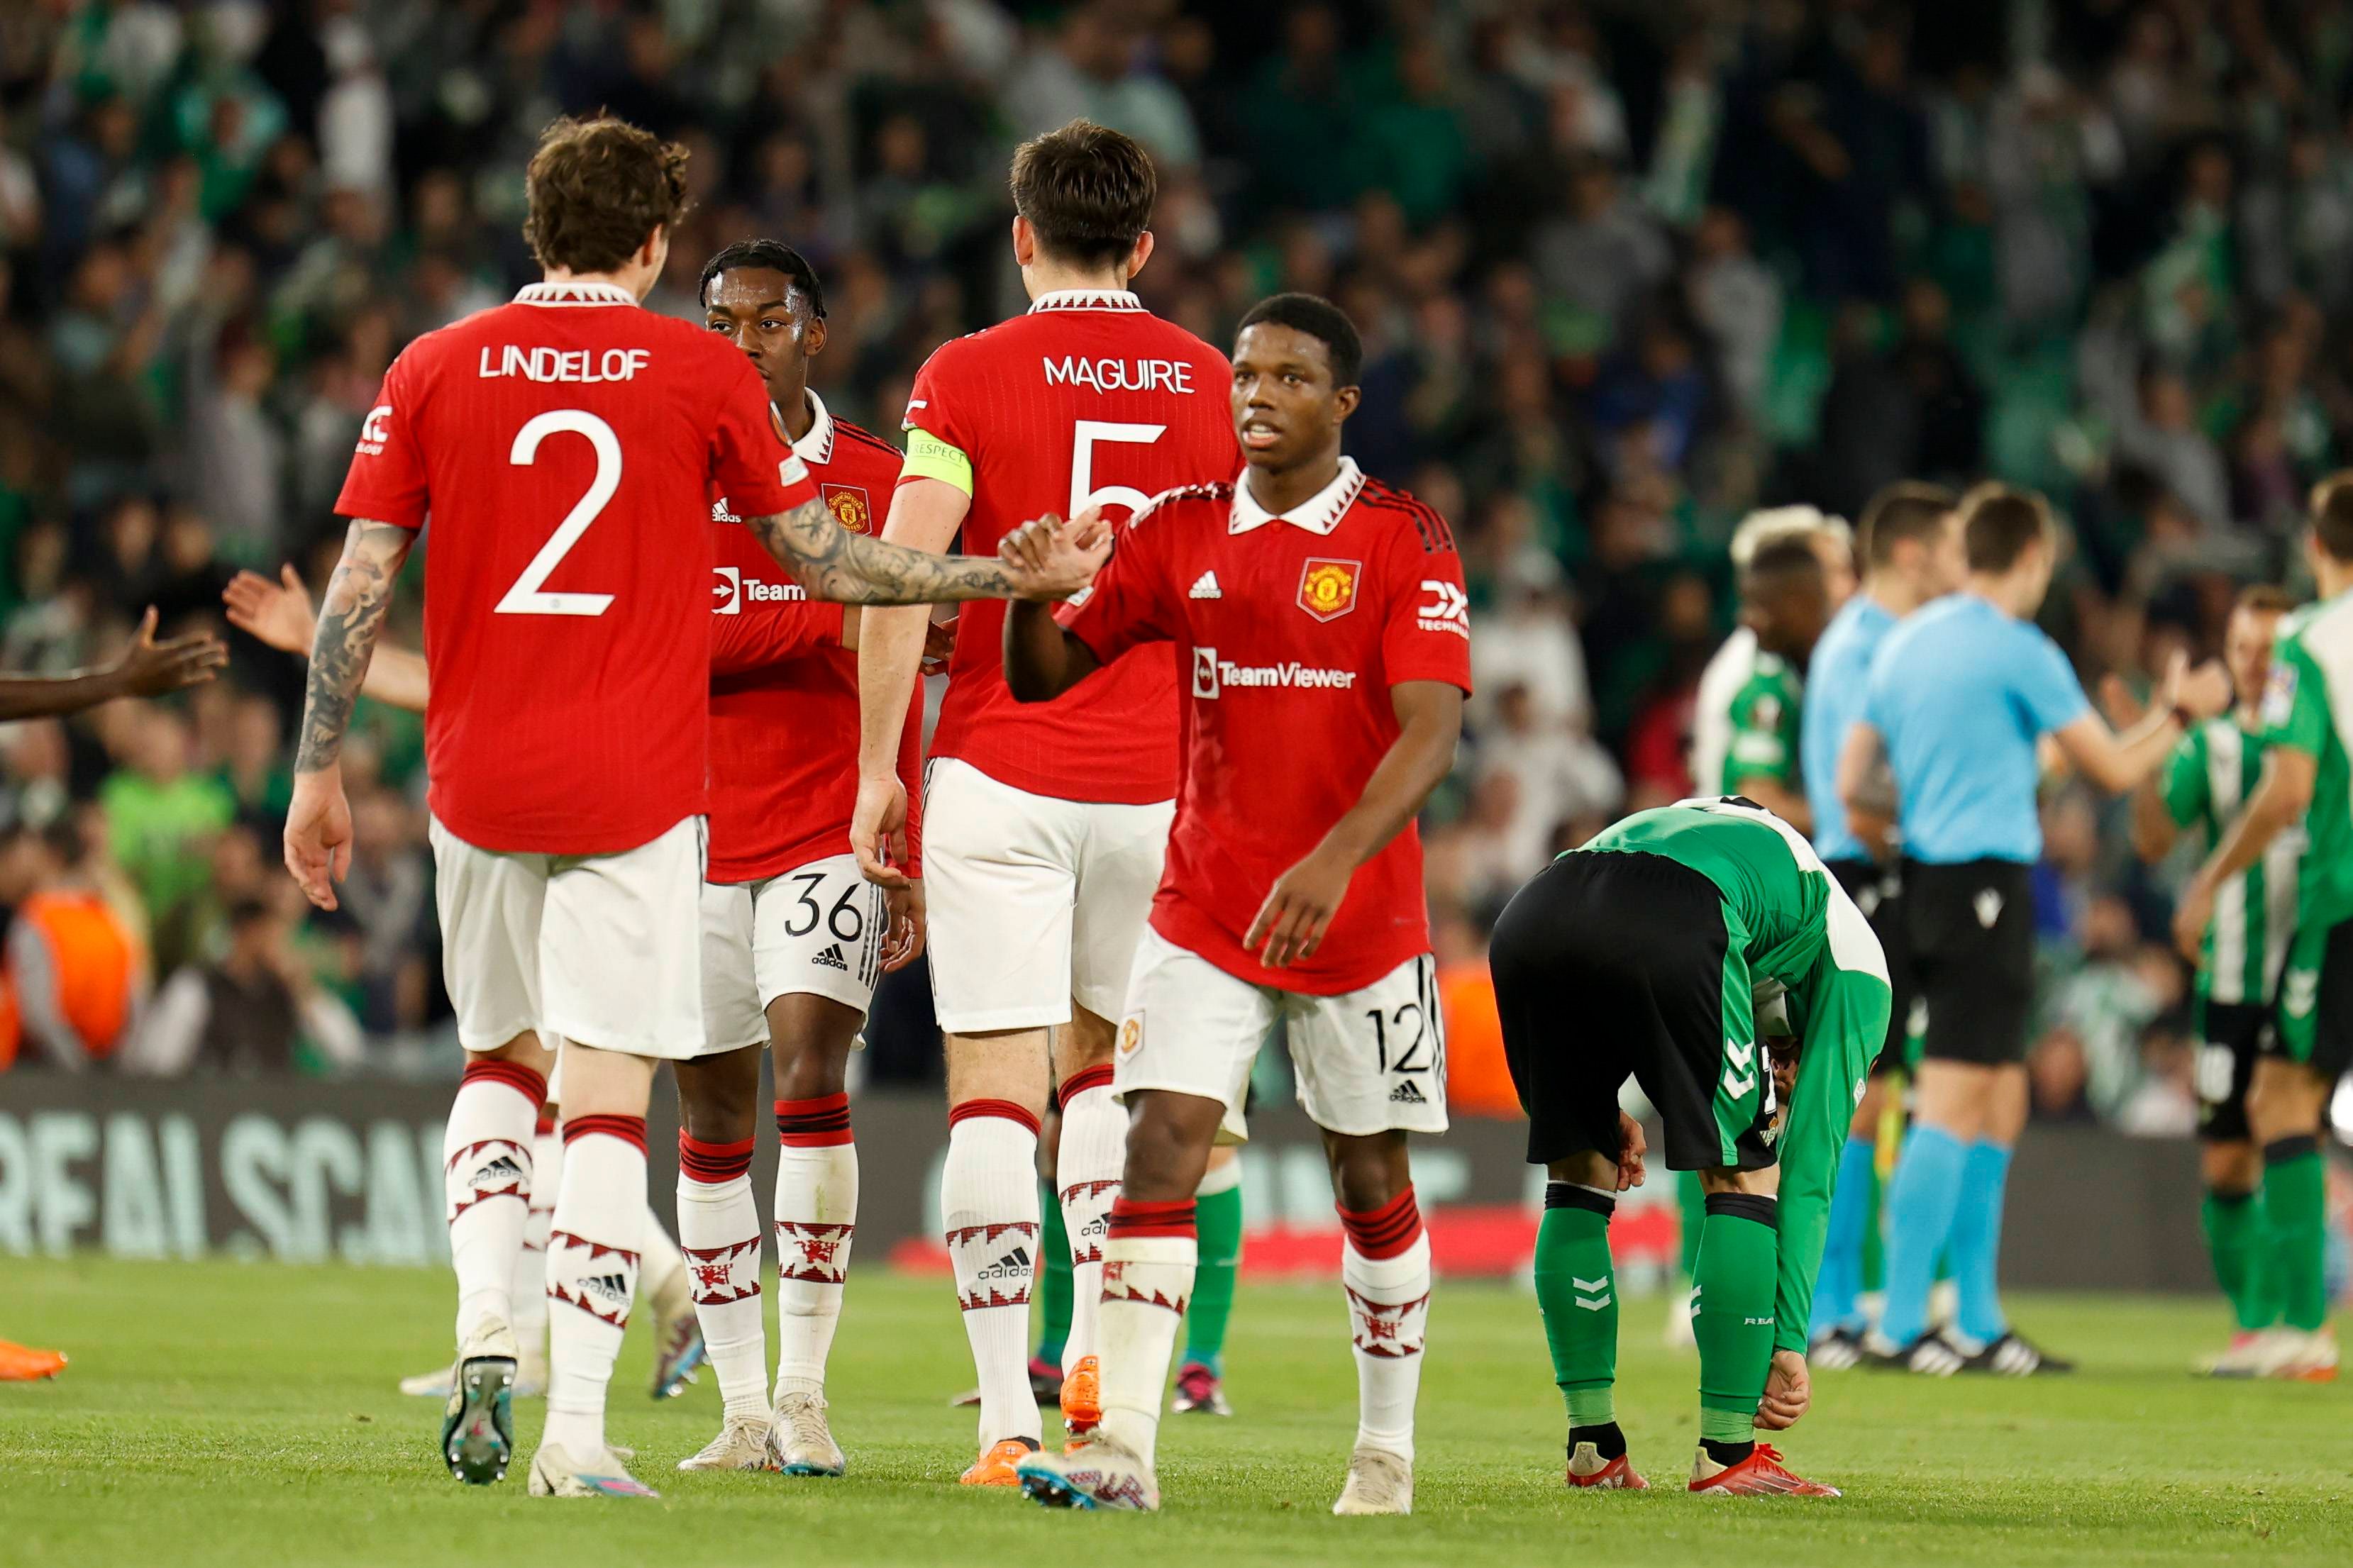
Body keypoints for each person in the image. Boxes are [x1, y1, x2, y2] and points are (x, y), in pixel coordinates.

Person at [283, 113, 1107, 1502]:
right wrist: (999, 583)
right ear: (657, 245)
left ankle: (490, 1322)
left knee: (500, 1063)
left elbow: (360, 586)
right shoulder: (692, 373)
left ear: (533, 228)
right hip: (638, 787)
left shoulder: (431, 364)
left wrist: (314, 772)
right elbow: (833, 567)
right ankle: (576, 1434)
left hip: (476, 778)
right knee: (610, 1096)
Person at [1001, 294, 1469, 1515]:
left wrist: (1333, 860)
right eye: (1245, 375)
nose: (1257, 394)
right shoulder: (1177, 527)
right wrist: (1030, 592)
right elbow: (1045, 676)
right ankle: (1121, 1453)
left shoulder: (1403, 537)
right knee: (1158, 1138)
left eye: (1289, 378)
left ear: (1342, 402)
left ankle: (1383, 1452)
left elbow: (1431, 733)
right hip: (1206, 905)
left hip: (1357, 918)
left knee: (1365, 1176)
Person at [850, 118, 1241, 1482]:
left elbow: (903, 572)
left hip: (1002, 772)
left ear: (1021, 236)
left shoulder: (964, 374)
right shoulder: (1211, 383)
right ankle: (1093, 1360)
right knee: (1109, 1079)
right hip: (1158, 787)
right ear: (1143, 245)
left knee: (990, 1094)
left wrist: (877, 772)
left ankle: (1005, 1423)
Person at [221, 570, 710, 1413]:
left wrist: (323, 645)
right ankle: (546, 1333)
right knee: (550, 1105)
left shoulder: (573, 580)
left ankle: (623, 1312)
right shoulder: (593, 575)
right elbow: (451, 689)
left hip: (599, 837)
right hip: (594, 830)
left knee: (554, 1099)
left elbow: (452, 689)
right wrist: (319, 642)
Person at [1842, 484, 2230, 1376]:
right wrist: (2177, 714)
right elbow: (2113, 769)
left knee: (1999, 1097)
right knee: (1955, 1096)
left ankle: (1975, 1319)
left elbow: (1857, 781)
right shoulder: (2020, 649)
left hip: (1924, 880)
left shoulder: (1903, 643)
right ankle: (1903, 1324)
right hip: (1985, 881)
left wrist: (1949, 791)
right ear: (2032, 557)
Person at [668, 239, 930, 1477]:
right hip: (683, 823)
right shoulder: (664, 463)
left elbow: (907, 664)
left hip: (830, 819)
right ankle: (738, 1412)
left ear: (813, 333)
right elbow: (669, 642)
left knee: (809, 1067)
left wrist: (909, 839)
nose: (741, 340)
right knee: (711, 1109)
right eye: (719, 319)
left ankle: (806, 1391)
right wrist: (832, 607)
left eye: (766, 320)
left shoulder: (878, 478)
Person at [1490, 796, 1891, 1496]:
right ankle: (1727, 1453)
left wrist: (1602, 1107)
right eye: (1788, 1072)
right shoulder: (1858, 970)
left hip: (1537, 909)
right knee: (1742, 1178)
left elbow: (1620, 937)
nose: (1787, 1082)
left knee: (1581, 1168)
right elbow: (1807, 1171)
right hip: (1670, 912)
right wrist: (1788, 1341)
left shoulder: (1740, 852)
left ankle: (1593, 1444)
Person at [2170, 474, 2353, 1382]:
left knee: (2280, 1098)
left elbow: (2285, 789)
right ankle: (2285, 1323)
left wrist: (2208, 878)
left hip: (2341, 900)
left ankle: (2298, 1328)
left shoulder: (2312, 644)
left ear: (2315, 548)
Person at [1795, 480, 1961, 1366]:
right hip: (1861, 874)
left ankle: (1840, 1309)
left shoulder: (1867, 637)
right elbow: (1863, 791)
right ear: (1909, 553)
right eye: (1947, 551)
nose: (1957, 569)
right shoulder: (1866, 645)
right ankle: (1823, 1314)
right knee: (1857, 1097)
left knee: (1877, 1093)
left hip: (1868, 873)